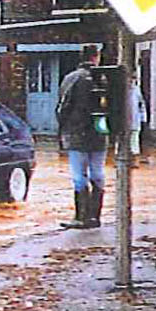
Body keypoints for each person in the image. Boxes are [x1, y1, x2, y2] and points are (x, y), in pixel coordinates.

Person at [56, 44, 107, 229]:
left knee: (79, 176)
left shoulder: (72, 78)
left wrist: (61, 130)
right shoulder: (103, 77)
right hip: (99, 133)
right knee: (98, 173)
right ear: (97, 57)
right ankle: (95, 217)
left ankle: (81, 216)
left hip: (76, 134)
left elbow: (62, 107)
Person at [129, 72, 148, 165]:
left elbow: (141, 104)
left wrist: (143, 117)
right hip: (123, 121)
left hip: (134, 120)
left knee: (134, 141)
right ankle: (120, 160)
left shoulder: (136, 90)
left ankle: (135, 161)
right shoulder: (120, 90)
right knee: (121, 141)